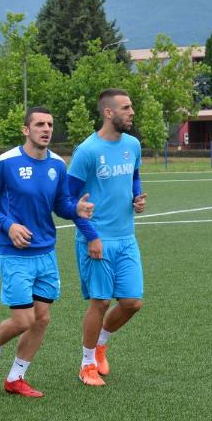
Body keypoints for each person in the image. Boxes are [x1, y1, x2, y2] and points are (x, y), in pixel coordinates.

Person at [0, 107, 95, 397]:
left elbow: (60, 204)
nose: (46, 129)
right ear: (26, 130)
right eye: (39, 124)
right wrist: (8, 225)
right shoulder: (6, 162)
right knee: (23, 320)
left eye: (50, 124)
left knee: (42, 319)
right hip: (15, 253)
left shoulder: (57, 164)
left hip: (46, 251)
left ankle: (16, 378)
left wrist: (75, 209)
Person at [68, 88, 147, 387]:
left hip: (127, 238)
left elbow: (134, 176)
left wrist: (136, 197)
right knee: (100, 302)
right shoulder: (87, 151)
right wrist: (91, 236)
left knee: (132, 302)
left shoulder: (133, 144)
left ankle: (101, 344)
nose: (132, 112)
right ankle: (87, 364)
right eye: (126, 108)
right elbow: (68, 199)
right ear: (108, 112)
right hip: (97, 239)